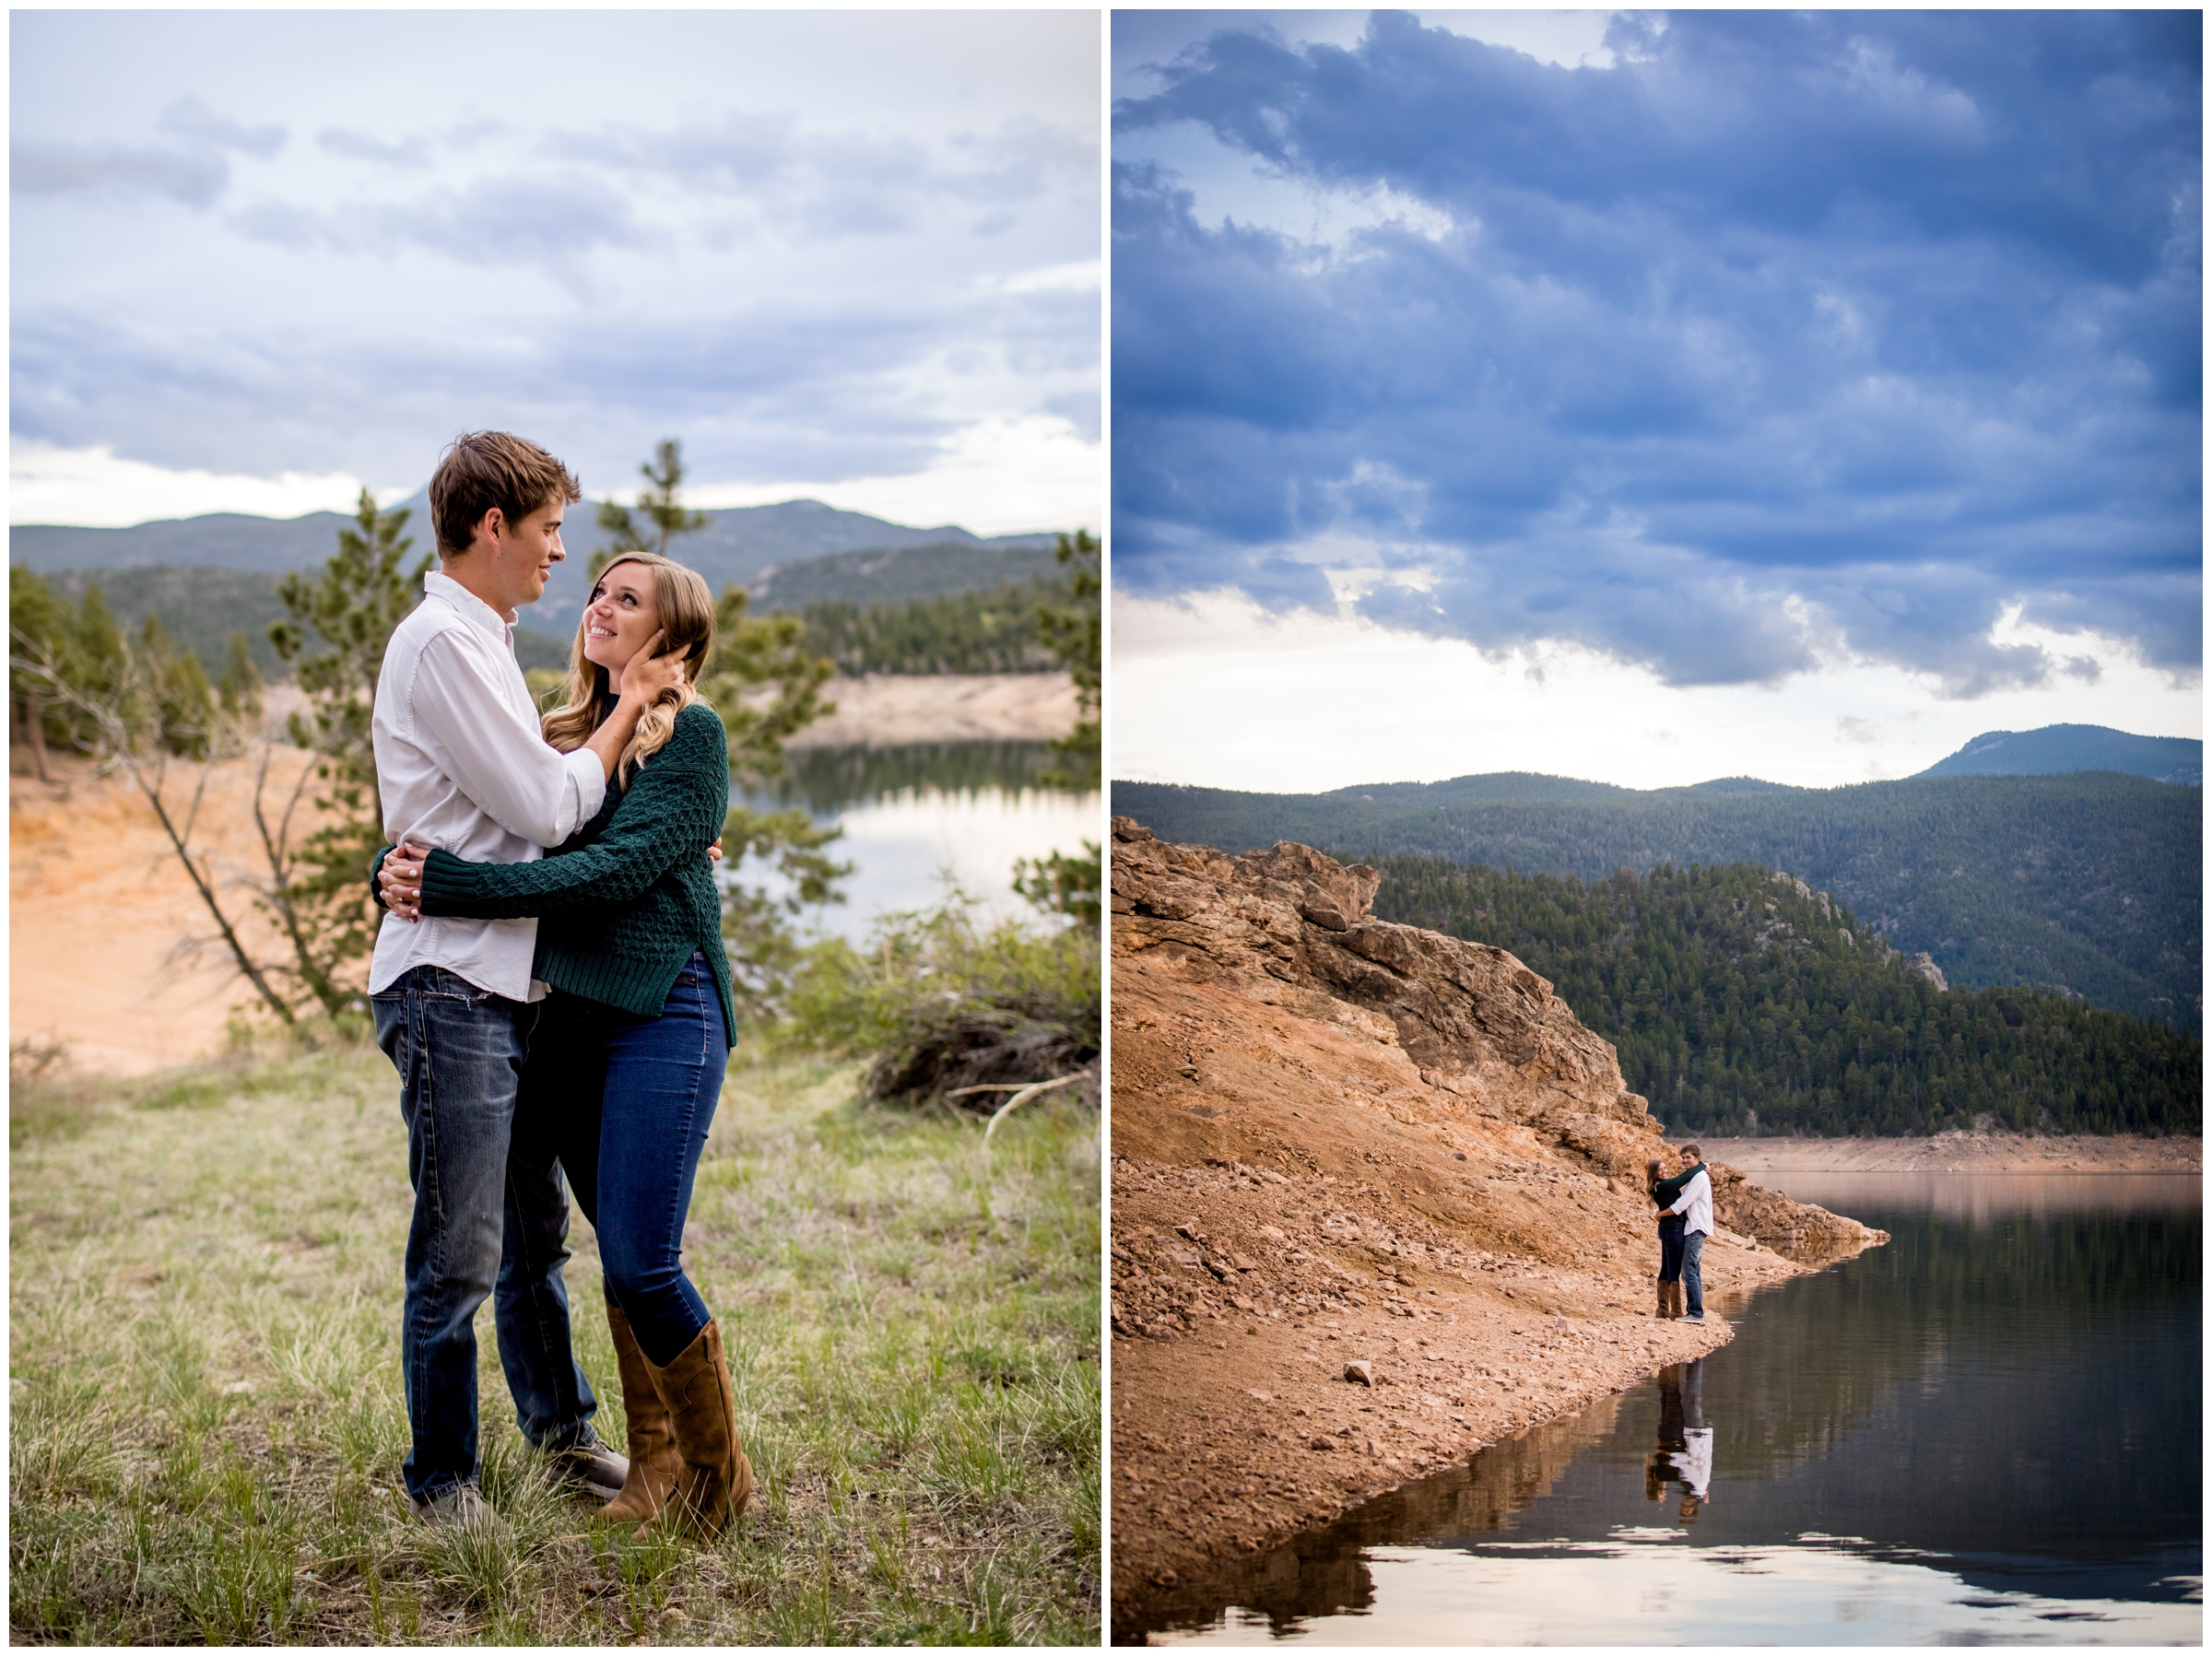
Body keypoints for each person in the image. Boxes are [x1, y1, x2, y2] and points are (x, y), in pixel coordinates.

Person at [378, 549, 753, 1535]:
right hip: (566, 1024)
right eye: (597, 591)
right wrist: (402, 861)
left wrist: (450, 886)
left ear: (669, 639)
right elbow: (486, 826)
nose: (599, 605)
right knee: (554, 1247)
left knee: (641, 1262)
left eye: (628, 600)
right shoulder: (561, 740)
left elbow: (607, 877)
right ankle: (649, 1476)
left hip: (664, 1014)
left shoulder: (693, 740)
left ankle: (717, 1486)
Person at [1660, 1143, 1714, 1324]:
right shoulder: (1696, 1176)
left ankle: (1696, 1313)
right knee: (1694, 1270)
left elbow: (1682, 1204)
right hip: (1695, 1227)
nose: (1684, 1160)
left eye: (1688, 1157)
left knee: (1689, 1270)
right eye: (1683, 1157)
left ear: (1697, 1159)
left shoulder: (1699, 1177)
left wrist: (1660, 1214)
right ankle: (1695, 1311)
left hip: (1696, 1228)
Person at [1646, 1155, 1690, 1321]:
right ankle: (1676, 1311)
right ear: (1654, 1173)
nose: (1664, 1171)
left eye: (1665, 1168)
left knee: (1665, 1268)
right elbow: (1684, 1177)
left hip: (1666, 1229)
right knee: (1673, 1271)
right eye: (1660, 1169)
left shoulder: (1658, 1187)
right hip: (1673, 1229)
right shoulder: (1664, 1186)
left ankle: (1662, 1309)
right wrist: (1701, 1166)